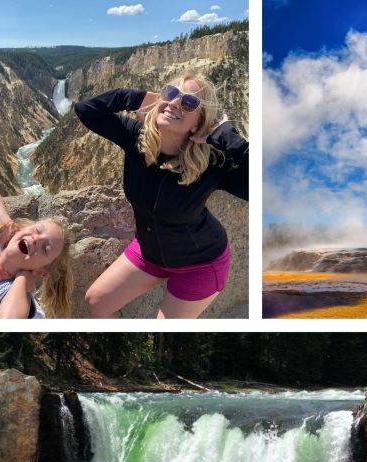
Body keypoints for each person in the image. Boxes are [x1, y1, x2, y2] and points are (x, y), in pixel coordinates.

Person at [75, 74, 248, 318]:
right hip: (150, 253)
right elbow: (86, 110)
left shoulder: (213, 163)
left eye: (188, 102)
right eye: (170, 93)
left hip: (200, 264)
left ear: (200, 122)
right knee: (97, 302)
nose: (176, 103)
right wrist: (135, 98)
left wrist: (227, 137)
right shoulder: (136, 138)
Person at [0, 185, 71, 319]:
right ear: (22, 228)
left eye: (45, 248)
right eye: (37, 230)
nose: (36, 239)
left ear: (41, 271)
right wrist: (5, 223)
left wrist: (22, 279)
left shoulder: (19, 295)